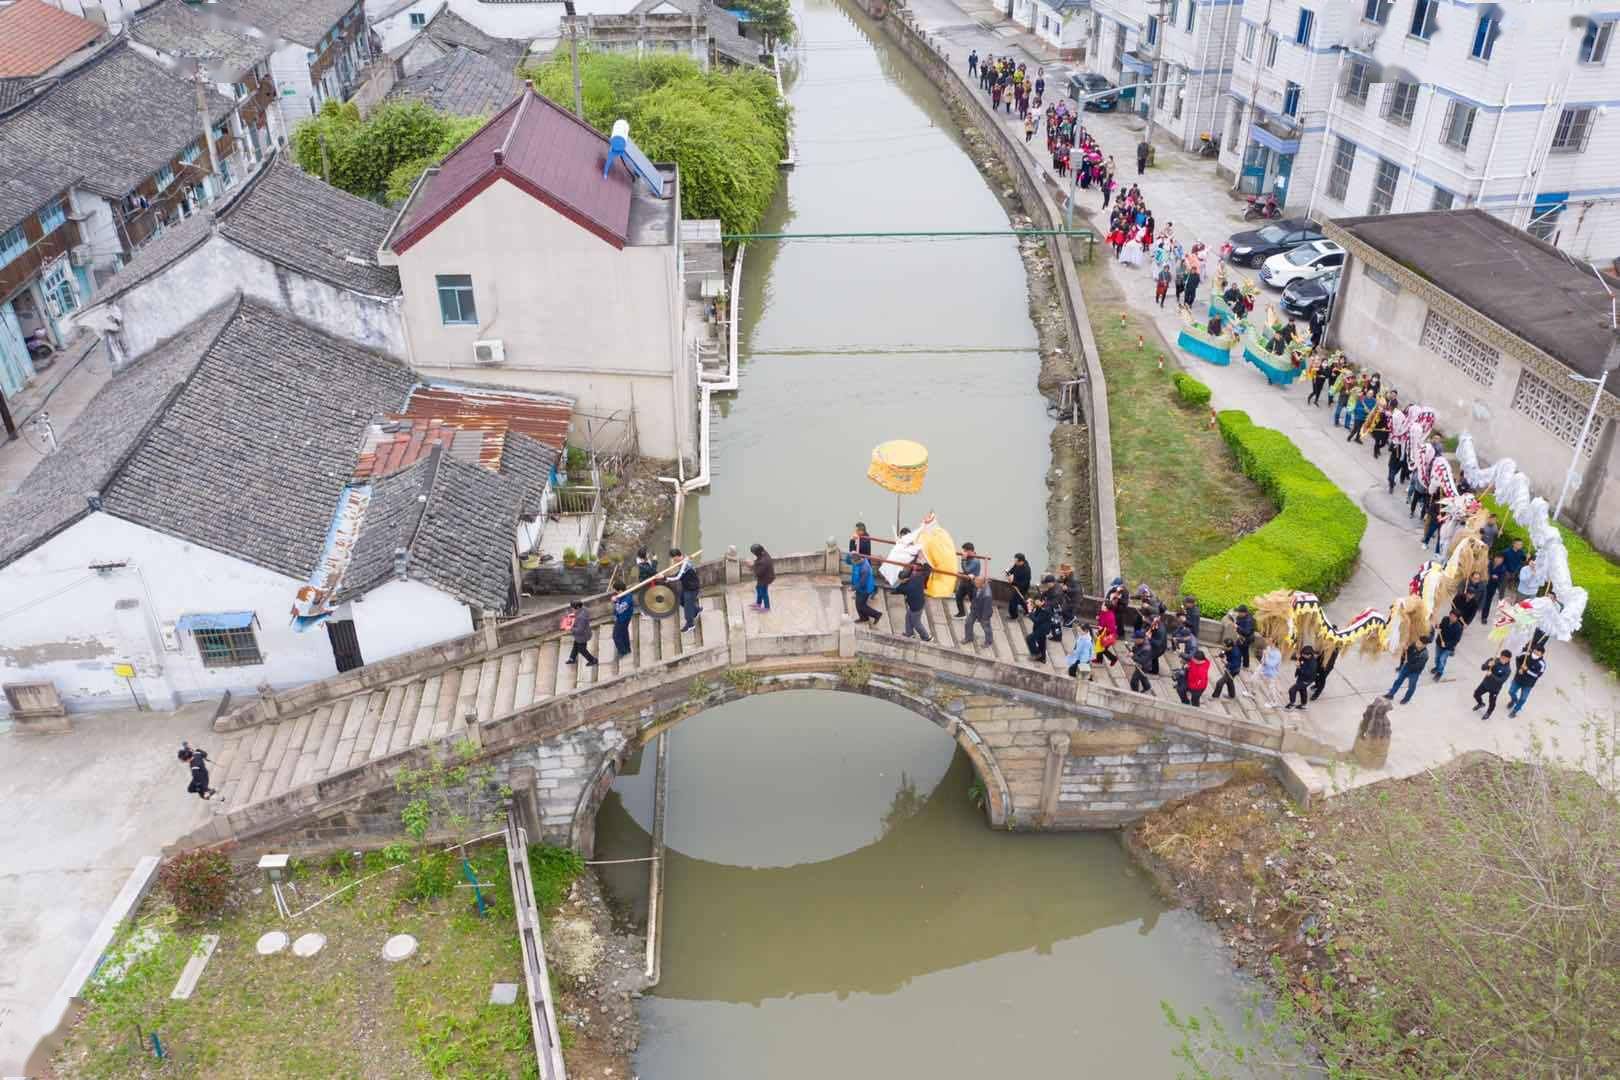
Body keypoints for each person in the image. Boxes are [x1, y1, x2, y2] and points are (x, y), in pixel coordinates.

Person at [1385, 635, 1431, 705]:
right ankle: (1391, 694)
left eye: (1419, 643)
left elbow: (1418, 666)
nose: (1417, 643)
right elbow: (1407, 652)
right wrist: (1405, 649)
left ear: (1424, 645)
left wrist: (1408, 663)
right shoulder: (1413, 645)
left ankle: (1406, 699)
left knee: (1411, 686)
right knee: (1398, 681)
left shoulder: (1424, 655)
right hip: (1406, 667)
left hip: (1415, 672)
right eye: (1418, 641)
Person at [1506, 645, 1545, 717]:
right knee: (1511, 691)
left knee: (1523, 699)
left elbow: (1537, 675)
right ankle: (1514, 700)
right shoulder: (1525, 654)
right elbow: (1517, 659)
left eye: (1537, 653)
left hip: (1528, 684)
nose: (1535, 654)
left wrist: (1527, 670)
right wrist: (1519, 668)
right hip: (1518, 679)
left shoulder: (1542, 664)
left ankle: (1515, 710)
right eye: (1534, 652)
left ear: (1541, 654)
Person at [1473, 650, 1513, 719]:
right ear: (1500, 656)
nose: (1503, 659)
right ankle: (1481, 703)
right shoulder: (1493, 660)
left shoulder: (1508, 670)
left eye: (1505, 659)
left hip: (1495, 689)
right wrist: (1488, 665)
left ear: (1509, 659)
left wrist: (1491, 675)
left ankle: (1488, 713)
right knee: (1476, 694)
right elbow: (1482, 668)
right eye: (1502, 657)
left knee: (1492, 702)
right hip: (1485, 684)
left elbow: (1501, 681)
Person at [898, 560, 932, 641]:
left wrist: (902, 582)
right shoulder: (921, 577)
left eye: (915, 569)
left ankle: (926, 637)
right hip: (917, 602)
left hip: (916, 605)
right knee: (908, 617)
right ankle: (909, 634)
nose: (913, 571)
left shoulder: (911, 583)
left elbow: (899, 589)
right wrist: (923, 561)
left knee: (916, 622)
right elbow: (928, 569)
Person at [669, 548, 701, 632]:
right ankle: (696, 610)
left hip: (692, 588)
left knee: (687, 608)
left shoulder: (685, 564)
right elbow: (680, 573)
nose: (673, 560)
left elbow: (678, 577)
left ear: (677, 556)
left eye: (674, 558)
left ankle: (690, 625)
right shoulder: (684, 559)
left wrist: (665, 578)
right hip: (687, 586)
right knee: (681, 600)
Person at [963, 574, 994, 648]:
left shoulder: (987, 595)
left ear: (982, 584)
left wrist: (984, 618)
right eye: (975, 582)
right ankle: (969, 637)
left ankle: (988, 641)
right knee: (968, 622)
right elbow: (972, 586)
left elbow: (987, 608)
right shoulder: (978, 585)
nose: (975, 584)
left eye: (976, 583)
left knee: (986, 628)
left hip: (983, 613)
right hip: (974, 609)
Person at [1431, 611, 1464, 680]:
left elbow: (1456, 640)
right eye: (1451, 615)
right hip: (1440, 643)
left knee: (1442, 659)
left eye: (1454, 617)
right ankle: (1437, 667)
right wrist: (1438, 626)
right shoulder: (1445, 619)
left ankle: (1439, 672)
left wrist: (1446, 644)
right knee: (1437, 658)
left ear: (1457, 618)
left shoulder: (1459, 627)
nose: (1451, 617)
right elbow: (1441, 626)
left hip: (1448, 647)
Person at [954, 542, 984, 617]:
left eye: (965, 551)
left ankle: (977, 616)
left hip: (972, 583)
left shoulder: (975, 561)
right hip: (964, 581)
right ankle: (961, 613)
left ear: (970, 551)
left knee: (973, 601)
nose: (963, 552)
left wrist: (963, 560)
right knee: (958, 596)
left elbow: (967, 570)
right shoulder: (969, 557)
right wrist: (965, 559)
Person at [565, 600, 598, 667]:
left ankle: (593, 660)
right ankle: (572, 658)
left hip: (582, 636)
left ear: (577, 607)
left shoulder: (581, 618)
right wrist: (573, 615)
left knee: (582, 650)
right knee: (575, 645)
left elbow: (580, 630)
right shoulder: (584, 609)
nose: (572, 609)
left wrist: (570, 628)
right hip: (583, 634)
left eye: (573, 608)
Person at [1284, 645, 1318, 710]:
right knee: (1302, 690)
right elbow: (1298, 658)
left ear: (1309, 655)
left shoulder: (1313, 664)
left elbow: (1308, 674)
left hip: (1306, 680)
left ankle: (1292, 704)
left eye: (1304, 654)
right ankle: (1304, 704)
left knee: (1292, 690)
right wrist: (1297, 657)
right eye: (1302, 654)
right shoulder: (1303, 657)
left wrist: (1299, 668)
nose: (1302, 655)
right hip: (1301, 677)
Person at [851, 555, 882, 624]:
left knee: (861, 605)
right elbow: (849, 561)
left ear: (858, 560)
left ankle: (877, 614)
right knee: (858, 604)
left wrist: (853, 588)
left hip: (865, 589)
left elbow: (862, 583)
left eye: (854, 563)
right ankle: (863, 618)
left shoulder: (865, 569)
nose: (854, 564)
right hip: (859, 588)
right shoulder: (858, 562)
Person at [1255, 637, 1283, 706]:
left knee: (1271, 688)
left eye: (1270, 640)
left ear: (1274, 643)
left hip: (1271, 673)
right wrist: (1263, 659)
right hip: (1263, 669)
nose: (1267, 641)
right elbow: (1263, 659)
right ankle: (1251, 692)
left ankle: (1274, 702)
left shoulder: (1278, 654)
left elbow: (1271, 664)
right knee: (1254, 678)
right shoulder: (1268, 648)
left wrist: (1266, 655)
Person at [1027, 596, 1056, 662]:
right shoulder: (1041, 606)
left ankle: (1037, 653)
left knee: (1029, 639)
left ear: (1042, 601)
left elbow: (1036, 620)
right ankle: (1042, 658)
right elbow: (1036, 614)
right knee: (1042, 642)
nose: (1036, 603)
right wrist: (1031, 606)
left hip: (1043, 629)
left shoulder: (1045, 609)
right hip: (1040, 627)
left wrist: (1030, 612)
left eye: (1037, 601)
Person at [1481, 552, 1508, 619]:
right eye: (1497, 558)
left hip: (1492, 586)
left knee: (1488, 601)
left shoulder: (1503, 568)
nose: (1498, 560)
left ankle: (1484, 617)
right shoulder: (1489, 563)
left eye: (1500, 559)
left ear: (1503, 560)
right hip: (1483, 584)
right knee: (1480, 598)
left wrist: (1497, 578)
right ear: (1494, 558)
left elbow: (1501, 580)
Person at [748, 543, 774, 612]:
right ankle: (758, 603)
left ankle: (767, 608)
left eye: (753, 553)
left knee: (764, 593)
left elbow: (758, 573)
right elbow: (758, 561)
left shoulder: (763, 562)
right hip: (764, 576)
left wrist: (751, 566)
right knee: (758, 588)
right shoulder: (764, 553)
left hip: (765, 578)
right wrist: (754, 563)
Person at [1005, 553, 1032, 618]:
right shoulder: (1018, 564)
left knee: (1013, 601)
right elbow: (1014, 568)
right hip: (1016, 584)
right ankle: (1028, 611)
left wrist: (1013, 582)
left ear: (1021, 561)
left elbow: (1024, 583)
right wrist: (1009, 573)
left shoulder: (1026, 570)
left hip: (1022, 588)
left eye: (1016, 561)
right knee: (1021, 599)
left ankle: (1014, 615)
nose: (1015, 562)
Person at [612, 588, 635, 658]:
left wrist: (615, 602)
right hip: (622, 618)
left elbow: (619, 609)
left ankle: (623, 651)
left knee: (616, 636)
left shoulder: (627, 599)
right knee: (624, 634)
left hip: (623, 619)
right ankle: (627, 649)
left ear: (620, 590)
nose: (615, 592)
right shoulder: (623, 595)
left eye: (615, 590)